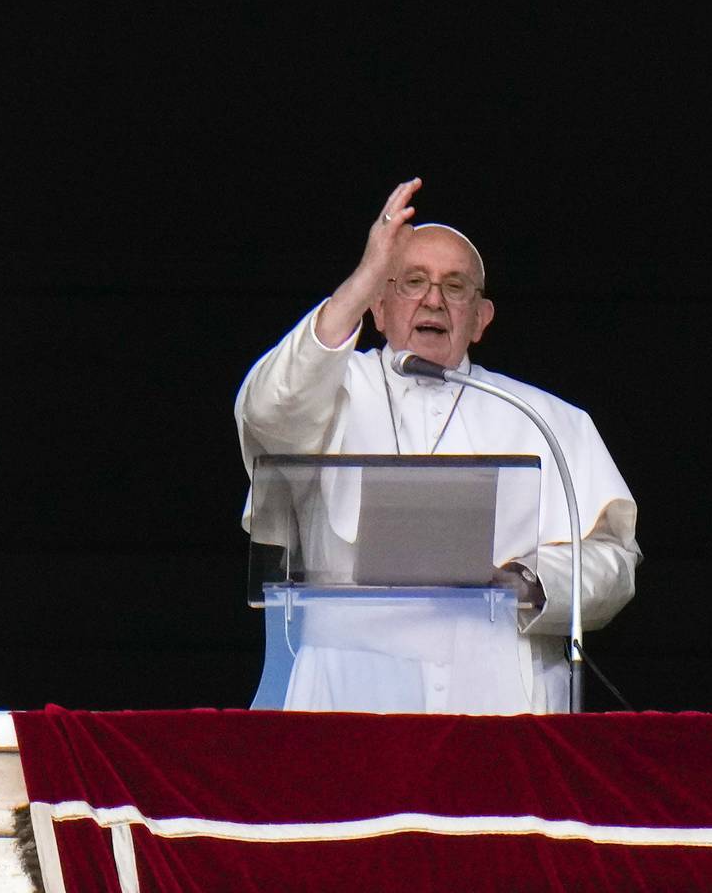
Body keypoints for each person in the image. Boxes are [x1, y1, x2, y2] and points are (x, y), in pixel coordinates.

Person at [235, 177, 640, 713]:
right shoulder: (331, 389)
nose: (433, 299)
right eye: (411, 282)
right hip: (349, 685)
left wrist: (528, 583)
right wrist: (363, 277)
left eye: (455, 287)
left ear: (481, 319)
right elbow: (267, 409)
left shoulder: (545, 418)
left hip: (498, 693)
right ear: (377, 307)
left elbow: (615, 560)